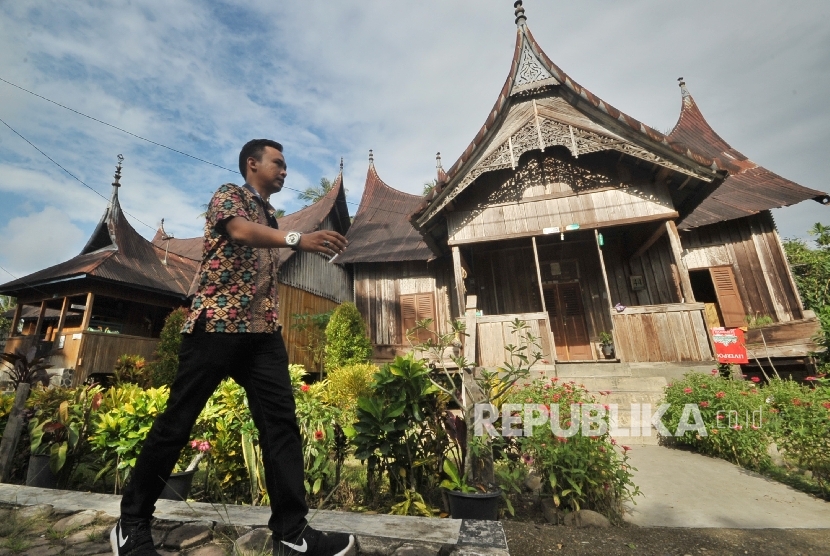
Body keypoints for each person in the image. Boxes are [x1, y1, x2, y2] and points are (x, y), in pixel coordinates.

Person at [110, 139, 354, 556]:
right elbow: (238, 231)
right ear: (252, 164)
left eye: (285, 164)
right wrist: (298, 238)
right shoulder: (230, 195)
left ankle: (292, 533)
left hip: (262, 334)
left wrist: (286, 234)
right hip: (217, 326)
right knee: (177, 424)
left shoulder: (271, 214)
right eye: (278, 162)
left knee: (281, 429)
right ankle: (131, 523)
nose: (285, 170)